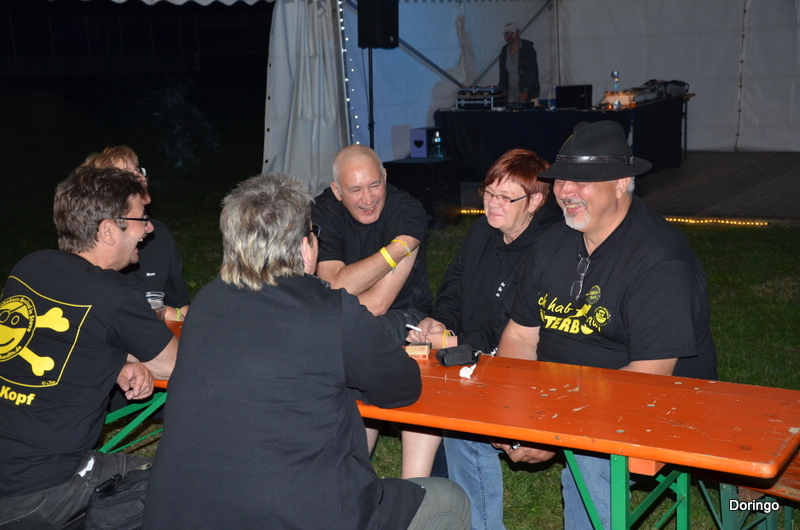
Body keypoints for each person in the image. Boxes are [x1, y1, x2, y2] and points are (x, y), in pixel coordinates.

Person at [141, 173, 470, 529]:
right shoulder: (332, 311)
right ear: (304, 247)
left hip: (186, 511)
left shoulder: (206, 303)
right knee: (450, 500)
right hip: (300, 514)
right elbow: (402, 387)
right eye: (314, 233)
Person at [448, 120, 718, 530]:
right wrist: (517, 409)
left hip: (655, 406)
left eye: (583, 181)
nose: (566, 191)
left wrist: (555, 431)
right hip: (560, 396)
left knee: (590, 457)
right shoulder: (552, 243)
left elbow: (649, 379)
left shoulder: (659, 261)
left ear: (622, 184)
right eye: (561, 179)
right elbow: (520, 335)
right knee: (462, 422)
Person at [0, 167, 178, 529]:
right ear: (108, 230)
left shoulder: (30, 267)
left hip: (11, 470)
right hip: (39, 490)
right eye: (140, 219)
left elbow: (55, 338)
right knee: (180, 486)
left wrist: (118, 362)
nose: (148, 228)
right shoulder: (113, 293)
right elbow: (175, 365)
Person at [403, 149, 560, 481]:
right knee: (417, 375)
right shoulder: (482, 232)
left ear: (534, 202)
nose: (492, 204)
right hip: (468, 351)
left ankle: (428, 486)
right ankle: (419, 487)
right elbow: (453, 286)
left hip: (519, 365)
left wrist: (452, 343)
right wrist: (441, 323)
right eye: (488, 193)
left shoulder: (547, 247)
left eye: (505, 197)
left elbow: (511, 328)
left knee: (439, 390)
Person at [312, 145, 434, 453]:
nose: (368, 199)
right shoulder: (323, 211)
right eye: (355, 190)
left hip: (407, 313)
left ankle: (354, 459)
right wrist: (395, 250)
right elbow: (334, 284)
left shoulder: (407, 211)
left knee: (357, 337)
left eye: (375, 185)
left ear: (385, 177)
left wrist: (331, 310)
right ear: (336, 191)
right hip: (342, 313)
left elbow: (379, 304)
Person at [82, 145, 190, 322]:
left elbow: (181, 305)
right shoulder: (92, 247)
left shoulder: (159, 234)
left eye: (138, 171)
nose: (139, 178)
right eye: (126, 175)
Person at [498, 22, 540, 104]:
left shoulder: (528, 50)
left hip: (528, 96)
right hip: (510, 97)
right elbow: (502, 75)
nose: (509, 36)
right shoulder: (504, 52)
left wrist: (526, 91)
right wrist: (502, 91)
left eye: (512, 33)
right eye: (506, 34)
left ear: (519, 33)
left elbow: (531, 73)